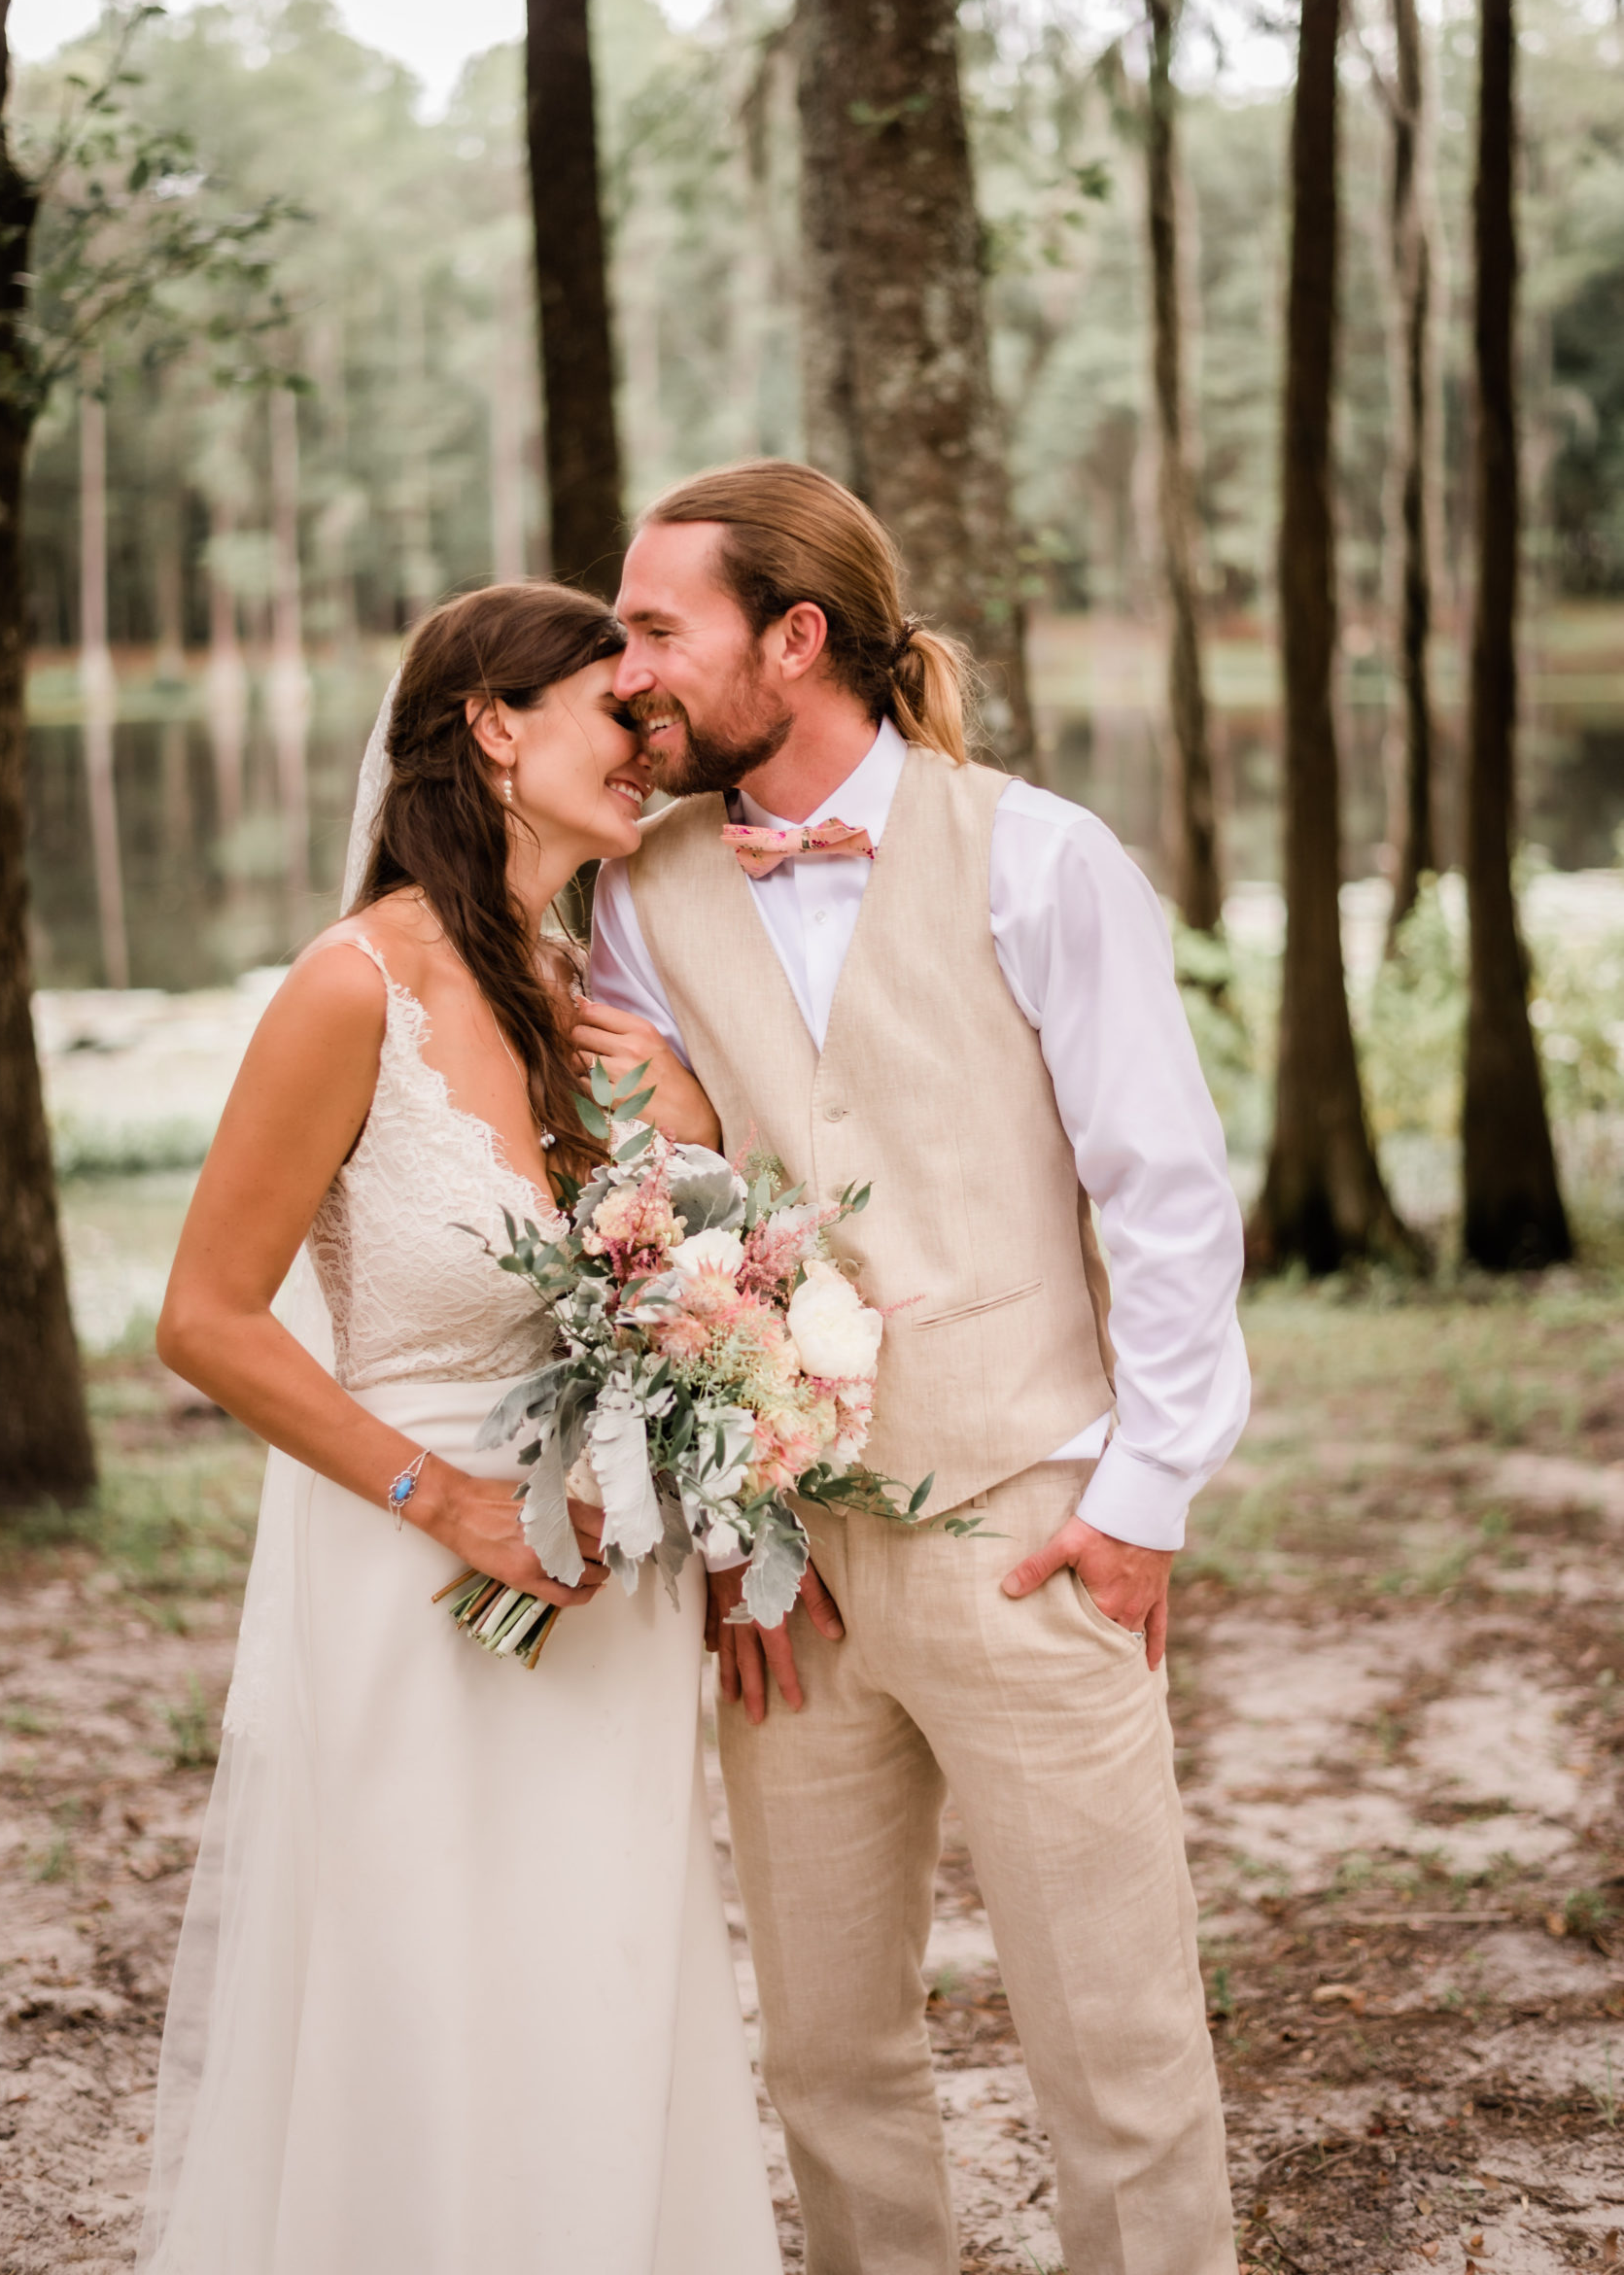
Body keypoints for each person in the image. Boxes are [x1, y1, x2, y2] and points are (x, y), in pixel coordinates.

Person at [581, 462, 1251, 2275]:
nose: (627, 668)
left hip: (1026, 1527)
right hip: (783, 1579)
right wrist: (723, 1530)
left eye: (657, 630)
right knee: (824, 2051)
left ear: (793, 641)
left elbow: (1168, 1198)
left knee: (1114, 2044)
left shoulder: (1033, 853)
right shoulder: (636, 893)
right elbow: (656, 1211)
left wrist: (1139, 1500)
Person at [139, 584, 781, 2275]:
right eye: (611, 718)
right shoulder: (353, 986)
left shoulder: (596, 1005)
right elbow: (203, 1318)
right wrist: (450, 1502)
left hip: (608, 1596)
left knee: (601, 1980)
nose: (650, 750)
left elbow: (667, 1293)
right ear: (493, 726)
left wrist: (692, 1129)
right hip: (417, 1579)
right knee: (422, 1996)